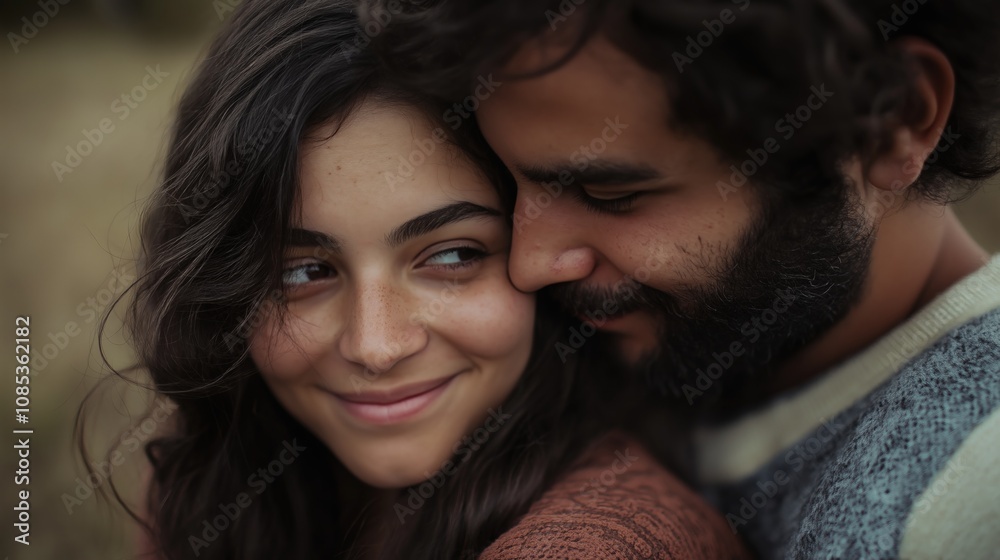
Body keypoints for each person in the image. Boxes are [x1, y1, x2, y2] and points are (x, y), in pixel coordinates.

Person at [85, 0, 753, 558]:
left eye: (454, 256)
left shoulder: (603, 541)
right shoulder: (210, 484)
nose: (376, 347)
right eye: (304, 271)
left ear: (544, 257)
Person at [372, 1, 1000, 558]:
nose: (528, 265)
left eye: (608, 193)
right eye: (508, 185)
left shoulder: (972, 495)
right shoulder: (652, 360)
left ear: (893, 117)